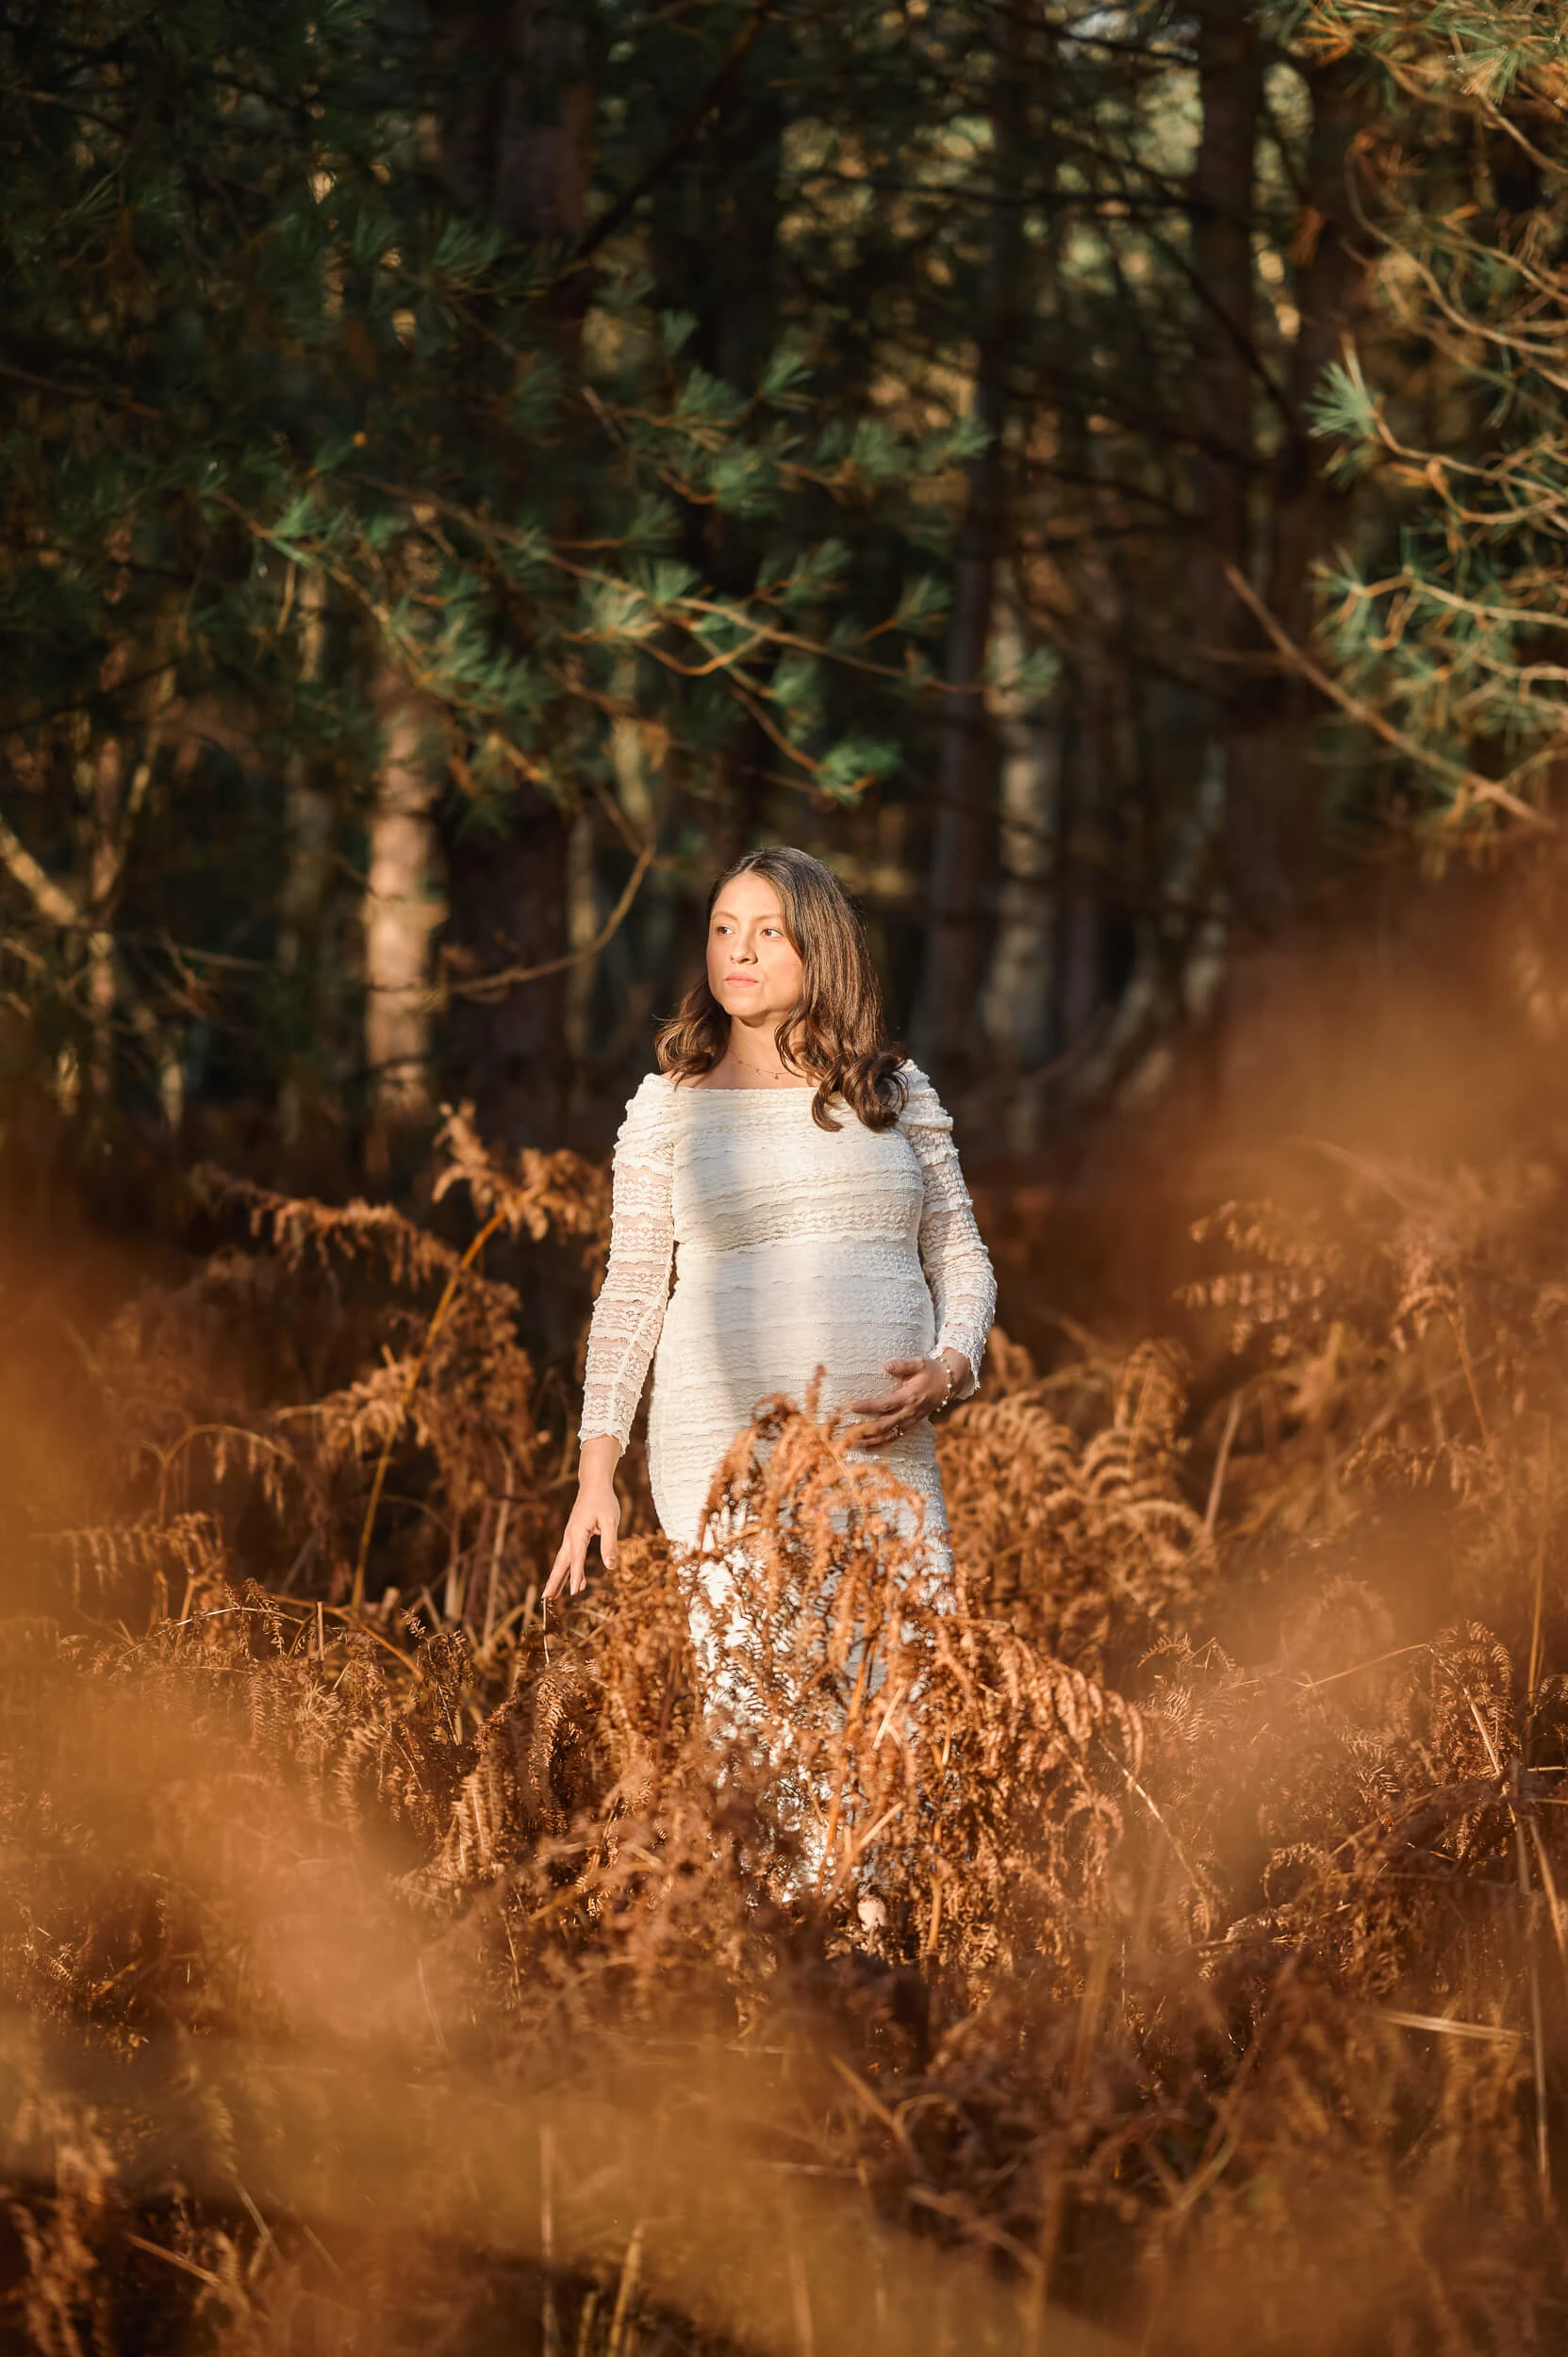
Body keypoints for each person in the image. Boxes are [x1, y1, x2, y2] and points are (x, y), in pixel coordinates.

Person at [544, 846, 996, 1601]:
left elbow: (959, 1257)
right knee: (756, 1710)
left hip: (885, 1453)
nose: (739, 952)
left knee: (898, 1705)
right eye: (723, 930)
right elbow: (629, 1295)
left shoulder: (894, 1091)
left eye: (768, 932)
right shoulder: (669, 1107)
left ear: (820, 948)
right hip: (720, 1457)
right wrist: (597, 1478)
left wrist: (948, 1370)